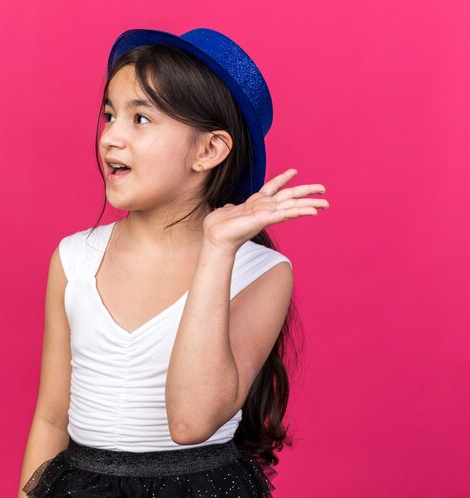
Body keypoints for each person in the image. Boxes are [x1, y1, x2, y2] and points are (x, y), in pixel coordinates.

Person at [17, 27, 329, 497]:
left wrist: (218, 249)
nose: (110, 138)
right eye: (109, 115)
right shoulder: (73, 259)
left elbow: (191, 420)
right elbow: (50, 416)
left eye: (140, 118)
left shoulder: (260, 273)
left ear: (208, 150)